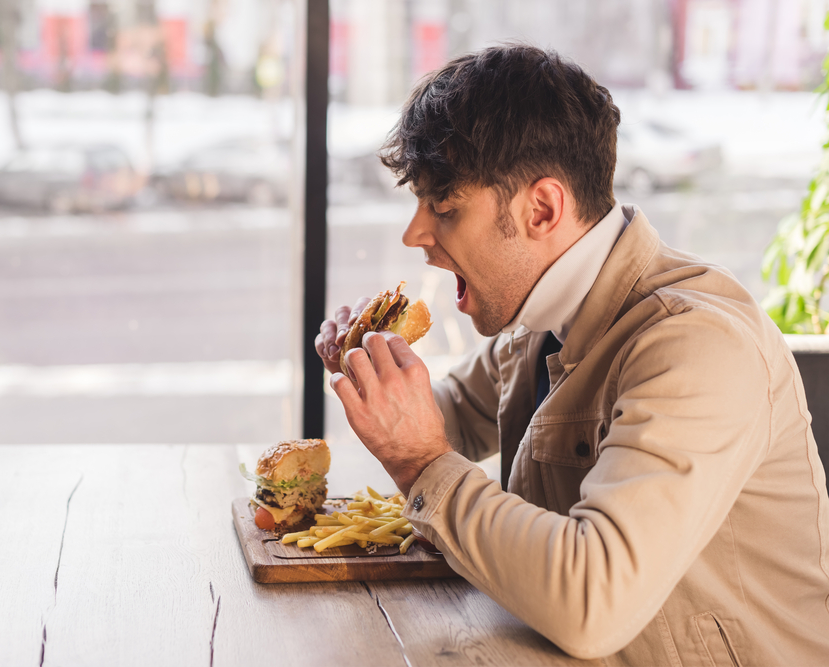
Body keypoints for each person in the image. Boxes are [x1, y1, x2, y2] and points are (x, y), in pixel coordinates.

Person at [314, 45, 829, 665]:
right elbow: (443, 416)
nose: (415, 233)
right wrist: (368, 369)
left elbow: (593, 600)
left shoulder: (696, 346)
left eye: (444, 207)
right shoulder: (537, 319)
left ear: (542, 209)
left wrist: (421, 463)